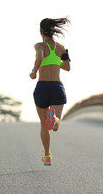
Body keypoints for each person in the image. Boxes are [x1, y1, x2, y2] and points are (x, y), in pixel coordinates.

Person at [30, 17, 71, 166]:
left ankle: (47, 155)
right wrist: (55, 61)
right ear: (53, 31)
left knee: (43, 124)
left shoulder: (39, 45)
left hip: (42, 87)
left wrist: (34, 71)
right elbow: (67, 67)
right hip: (57, 87)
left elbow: (40, 57)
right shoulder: (61, 47)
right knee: (54, 126)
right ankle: (54, 119)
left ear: (41, 32)